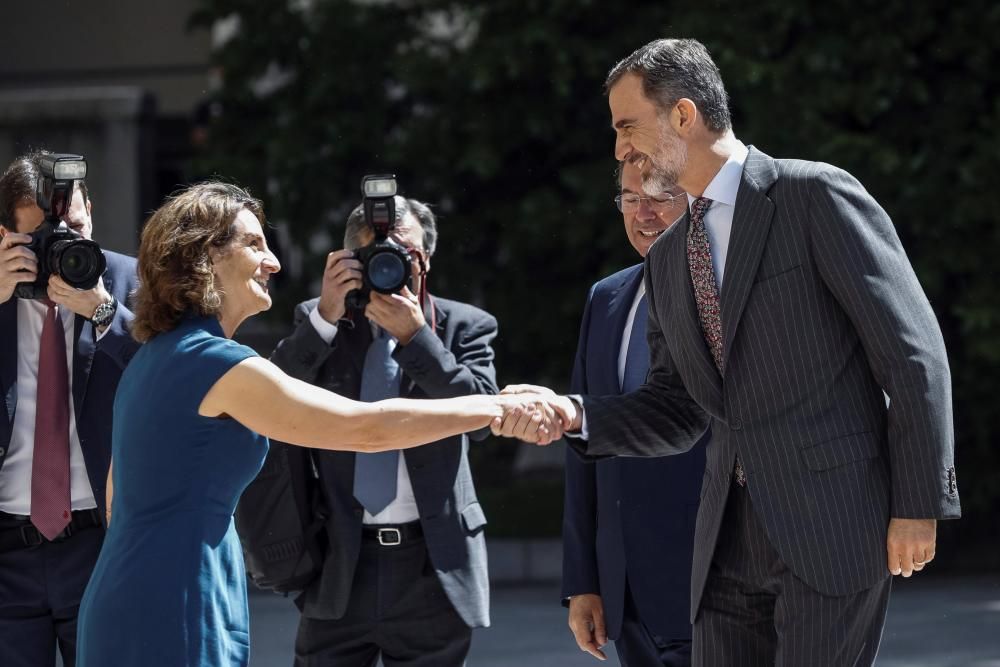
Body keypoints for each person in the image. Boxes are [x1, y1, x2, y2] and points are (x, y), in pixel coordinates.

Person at [499, 38, 959, 666]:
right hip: (721, 546)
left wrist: (918, 504)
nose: (618, 149)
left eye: (627, 125)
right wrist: (574, 413)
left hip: (832, 528)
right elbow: (676, 408)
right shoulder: (666, 260)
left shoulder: (812, 195)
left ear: (683, 115)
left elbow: (914, 355)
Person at [75, 181, 548, 667]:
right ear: (206, 256)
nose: (275, 261)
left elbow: (117, 497)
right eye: (255, 245)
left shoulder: (156, 356)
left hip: (137, 585)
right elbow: (367, 429)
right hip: (174, 596)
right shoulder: (213, 362)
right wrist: (496, 407)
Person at [270, 196, 497, 666]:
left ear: (426, 259)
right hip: (341, 562)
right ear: (348, 260)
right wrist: (324, 318)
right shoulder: (323, 320)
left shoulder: (463, 326)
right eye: (374, 254)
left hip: (432, 566)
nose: (388, 266)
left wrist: (419, 340)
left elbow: (482, 417)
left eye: (403, 254)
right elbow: (272, 398)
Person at [562, 160, 706, 666]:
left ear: (696, 199)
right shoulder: (607, 298)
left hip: (714, 584)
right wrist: (583, 582)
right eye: (629, 197)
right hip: (627, 596)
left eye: (659, 196)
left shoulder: (726, 292)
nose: (643, 213)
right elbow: (585, 449)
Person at [0, 150, 139, 667]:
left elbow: (172, 381)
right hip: (7, 551)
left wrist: (104, 313)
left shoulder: (132, 284)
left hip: (98, 546)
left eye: (74, 229)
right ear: (5, 237)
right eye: (42, 240)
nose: (63, 248)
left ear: (91, 215)